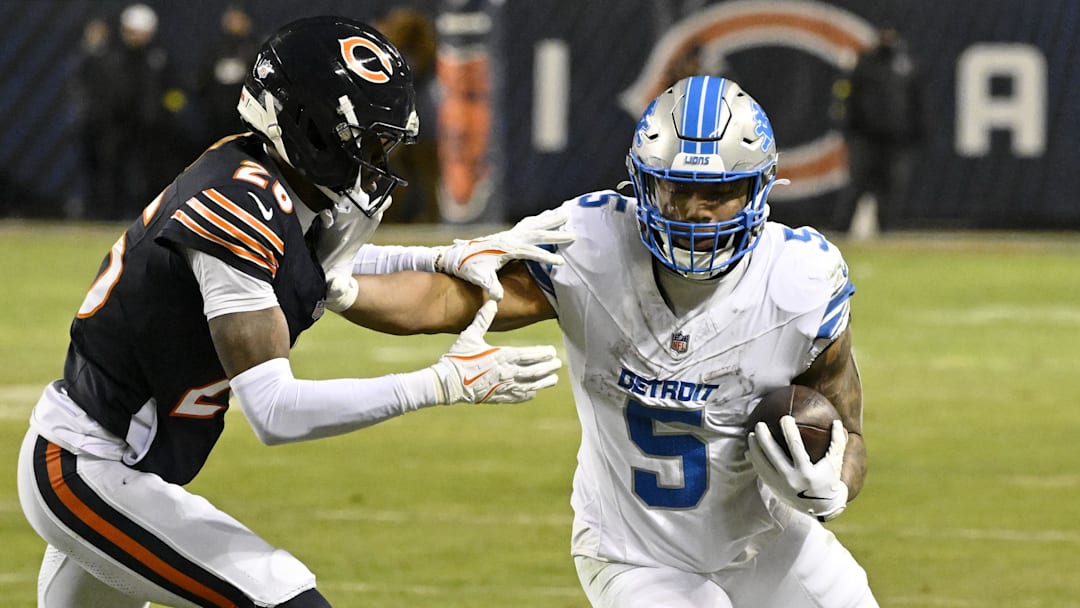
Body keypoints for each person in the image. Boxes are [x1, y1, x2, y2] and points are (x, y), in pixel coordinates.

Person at [16, 16, 565, 608]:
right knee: (283, 596)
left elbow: (318, 271)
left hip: (130, 468)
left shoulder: (272, 183)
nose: (380, 159)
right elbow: (275, 412)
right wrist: (443, 382)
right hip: (87, 466)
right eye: (371, 141)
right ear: (315, 129)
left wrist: (448, 254)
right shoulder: (238, 207)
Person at [338, 75, 879, 607]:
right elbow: (442, 300)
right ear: (643, 184)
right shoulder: (592, 245)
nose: (697, 211)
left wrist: (832, 486)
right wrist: (338, 287)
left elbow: (846, 430)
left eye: (719, 192)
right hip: (634, 556)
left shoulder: (801, 281)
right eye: (678, 188)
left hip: (762, 541)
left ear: (759, 187)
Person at [833, 27, 922, 236]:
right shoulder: (864, 64)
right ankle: (841, 229)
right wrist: (850, 129)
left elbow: (917, 102)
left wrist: (915, 132)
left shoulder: (906, 65)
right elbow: (847, 99)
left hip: (896, 139)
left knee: (892, 187)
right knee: (857, 184)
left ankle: (888, 230)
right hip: (865, 137)